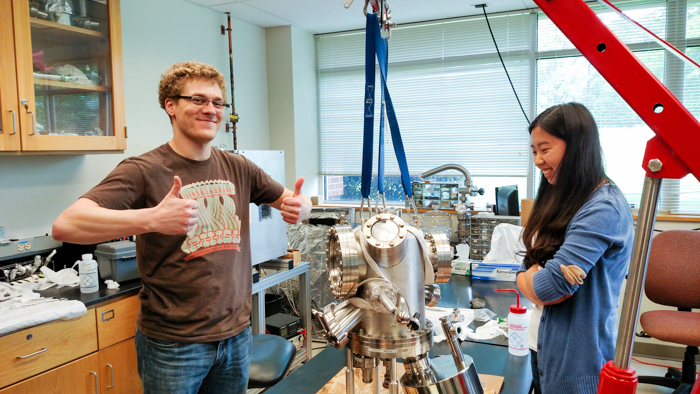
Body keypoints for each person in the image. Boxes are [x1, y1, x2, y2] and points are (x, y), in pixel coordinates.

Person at [52, 61, 311, 394]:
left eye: (218, 103)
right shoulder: (142, 169)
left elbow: (293, 201)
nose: (211, 110)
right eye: (198, 100)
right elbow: (66, 224)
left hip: (235, 335)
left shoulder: (239, 166)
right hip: (173, 345)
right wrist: (151, 218)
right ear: (170, 106)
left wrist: (299, 207)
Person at [516, 102, 634, 394]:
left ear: (578, 146)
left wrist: (524, 281)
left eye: (545, 149)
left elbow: (549, 287)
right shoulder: (560, 196)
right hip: (541, 341)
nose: (538, 160)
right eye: (534, 151)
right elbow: (532, 261)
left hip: (576, 358)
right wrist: (530, 278)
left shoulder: (602, 207)